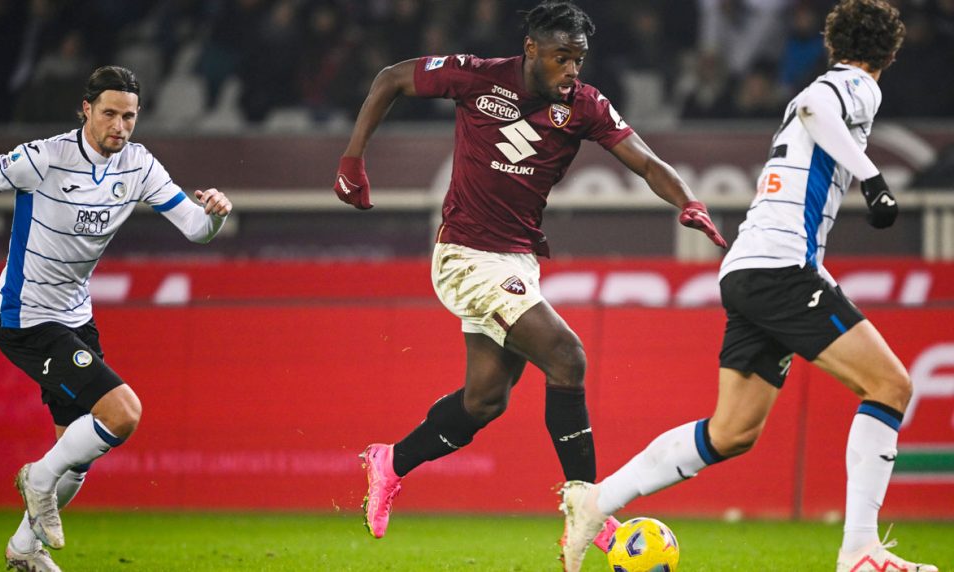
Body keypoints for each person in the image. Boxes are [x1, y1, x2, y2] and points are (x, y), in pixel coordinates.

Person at [332, 0, 726, 554]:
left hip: (517, 261)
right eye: (562, 58)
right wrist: (352, 160)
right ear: (532, 50)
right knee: (567, 357)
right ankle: (589, 507)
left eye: (580, 60)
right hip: (466, 255)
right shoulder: (477, 76)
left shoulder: (585, 105)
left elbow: (645, 160)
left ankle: (390, 461)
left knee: (485, 401)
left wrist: (688, 202)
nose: (572, 71)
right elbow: (391, 78)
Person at [558, 2, 939, 571]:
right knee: (891, 386)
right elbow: (815, 106)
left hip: (750, 267)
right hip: (782, 267)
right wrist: (875, 180)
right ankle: (860, 552)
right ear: (889, 53)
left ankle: (595, 502)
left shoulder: (821, 87)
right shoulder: (856, 84)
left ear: (835, 43)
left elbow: (809, 110)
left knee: (732, 431)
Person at [0, 65, 233, 572]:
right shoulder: (44, 157)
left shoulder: (138, 165)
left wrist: (218, 214)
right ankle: (37, 479)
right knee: (123, 414)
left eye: (130, 116)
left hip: (75, 316)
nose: (120, 125)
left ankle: (25, 548)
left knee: (78, 453)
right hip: (24, 317)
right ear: (86, 109)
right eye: (110, 113)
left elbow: (197, 229)